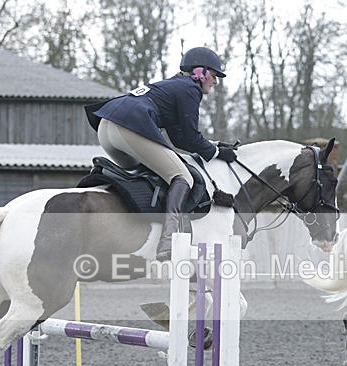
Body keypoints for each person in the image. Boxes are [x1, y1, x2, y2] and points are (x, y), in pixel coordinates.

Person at [85, 47, 237, 261]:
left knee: (145, 176)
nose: (216, 82)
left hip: (106, 127)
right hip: (129, 127)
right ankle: (169, 240)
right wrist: (217, 152)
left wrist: (216, 144)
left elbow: (180, 139)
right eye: (214, 75)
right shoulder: (189, 89)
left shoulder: (173, 86)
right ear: (200, 72)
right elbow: (191, 138)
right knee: (182, 176)